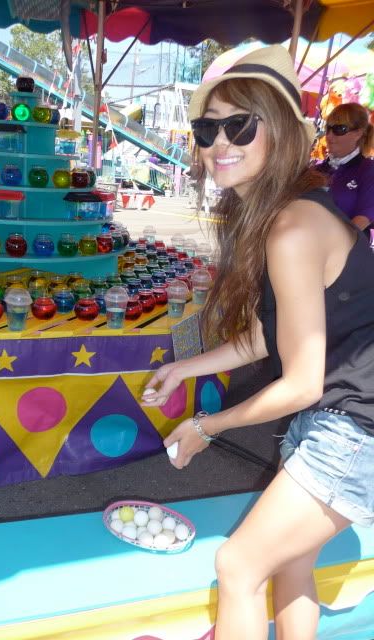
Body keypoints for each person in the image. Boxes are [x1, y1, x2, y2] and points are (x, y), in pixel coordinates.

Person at [141, 44, 374, 640]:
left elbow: (301, 383)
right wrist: (186, 369)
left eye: (240, 126)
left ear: (282, 133)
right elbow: (266, 339)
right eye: (208, 128)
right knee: (290, 563)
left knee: (238, 566)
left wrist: (206, 427)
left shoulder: (292, 227)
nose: (220, 142)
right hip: (343, 417)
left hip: (356, 428)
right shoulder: (283, 216)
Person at [317, 102, 374, 237]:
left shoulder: (368, 170)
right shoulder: (316, 170)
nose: (329, 136)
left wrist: (327, 244)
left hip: (344, 247)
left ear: (358, 133)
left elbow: (361, 221)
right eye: (328, 129)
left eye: (339, 129)